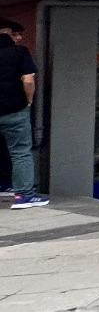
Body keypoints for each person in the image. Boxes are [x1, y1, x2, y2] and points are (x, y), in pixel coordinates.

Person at [0, 20, 44, 209]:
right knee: (20, 152)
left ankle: (5, 184)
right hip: (14, 109)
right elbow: (28, 80)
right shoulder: (19, 52)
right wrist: (29, 100)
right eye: (14, 33)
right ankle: (24, 195)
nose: (18, 37)